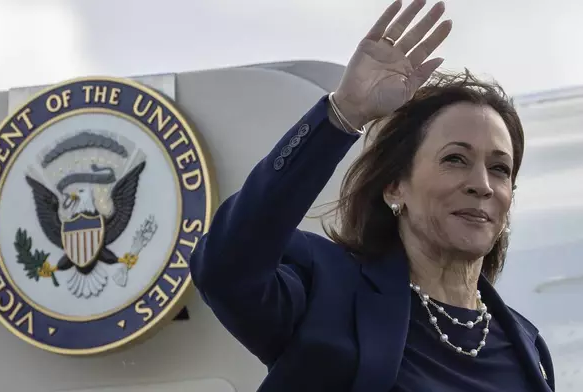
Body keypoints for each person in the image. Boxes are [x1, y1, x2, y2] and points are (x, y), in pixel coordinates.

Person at [189, 0, 555, 390]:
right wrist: (343, 114)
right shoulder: (328, 290)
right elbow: (227, 268)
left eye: (499, 168)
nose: (481, 184)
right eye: (455, 159)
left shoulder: (527, 346)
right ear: (395, 186)